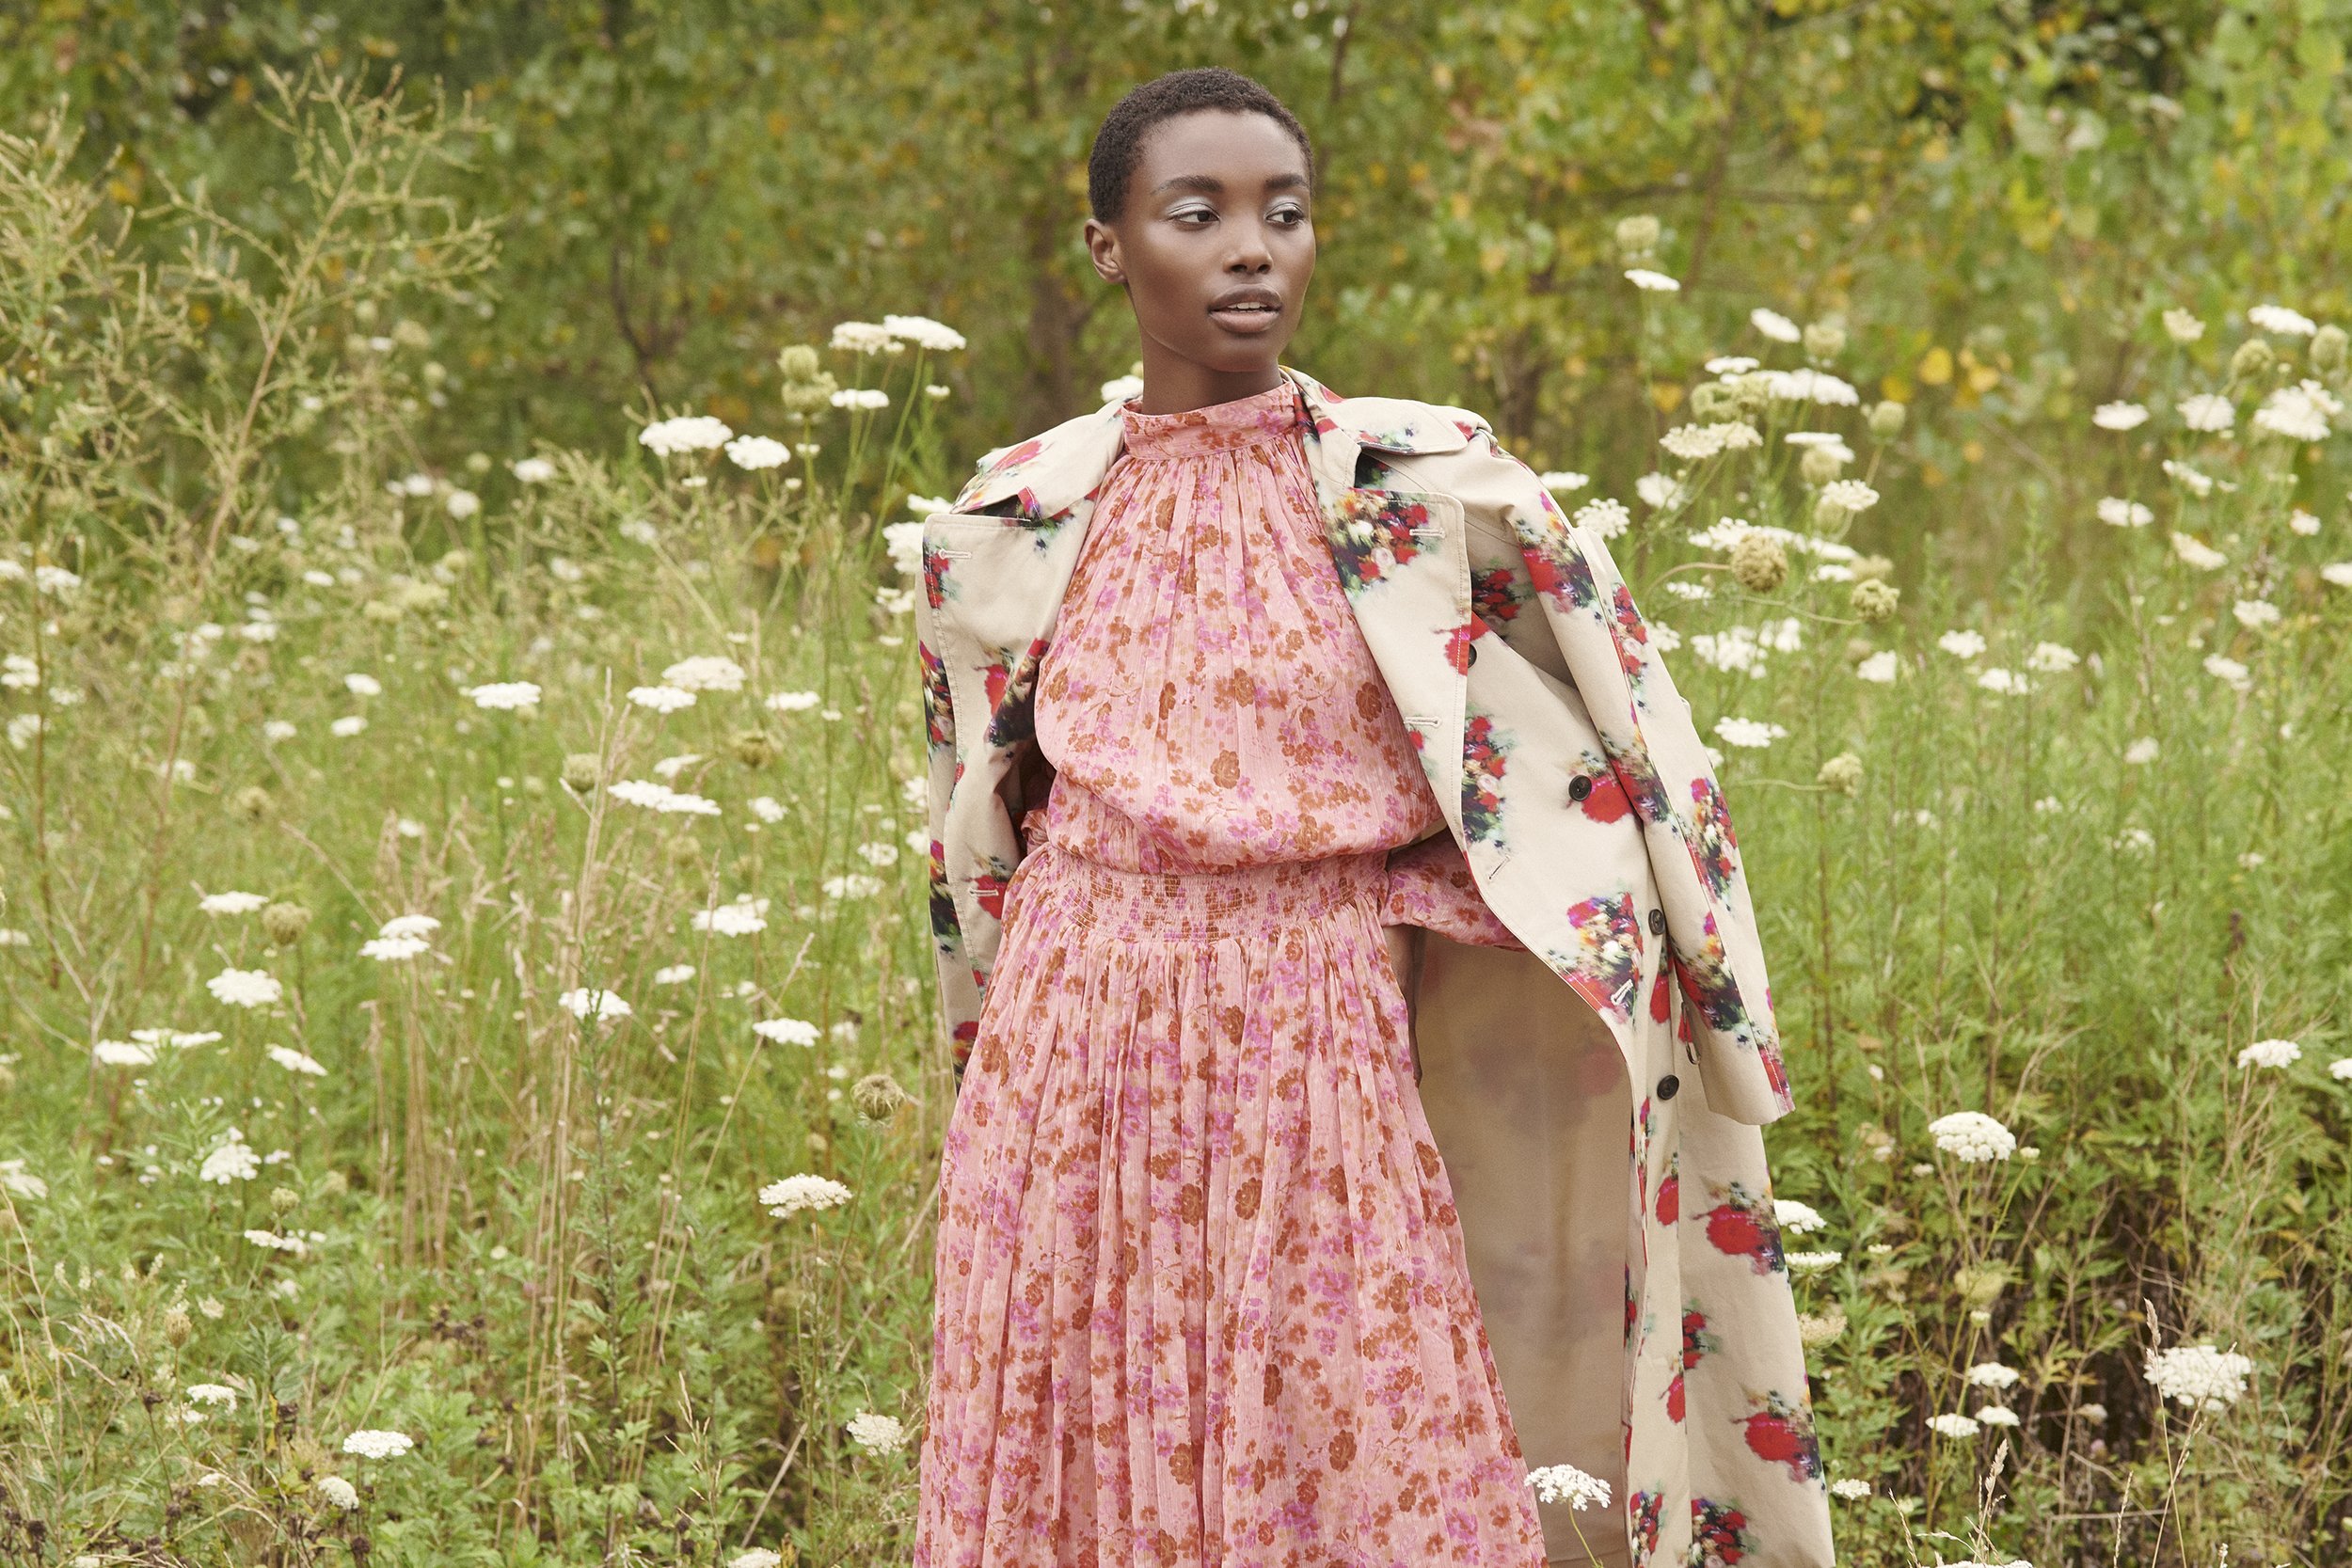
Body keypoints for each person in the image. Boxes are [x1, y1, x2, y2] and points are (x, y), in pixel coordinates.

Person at [913, 66, 1833, 1568]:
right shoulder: (1015, 520)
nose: (1251, 248)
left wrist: (1580, 944)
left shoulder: (1423, 498)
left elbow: (1626, 748)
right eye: (1196, 214)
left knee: (1367, 1419)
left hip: (1317, 1028)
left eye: (1284, 213)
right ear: (1108, 247)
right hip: (1078, 1042)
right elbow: (975, 807)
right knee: (1080, 1409)